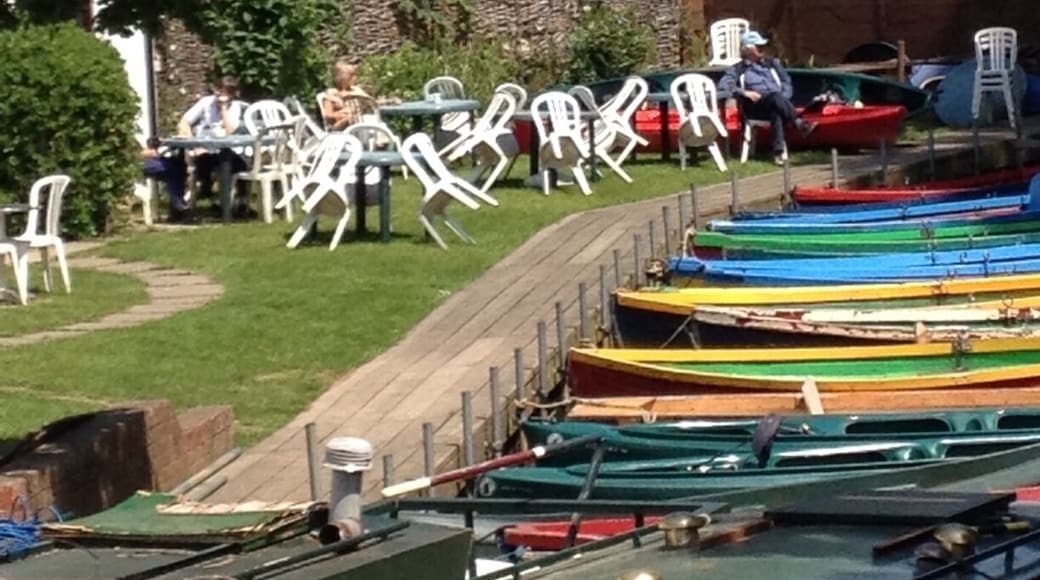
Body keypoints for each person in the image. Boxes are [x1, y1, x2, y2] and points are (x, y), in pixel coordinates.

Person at [718, 30, 817, 165]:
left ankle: (778, 153)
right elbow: (724, 86)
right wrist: (745, 93)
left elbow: (786, 81)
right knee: (775, 99)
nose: (762, 49)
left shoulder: (772, 64)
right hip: (754, 106)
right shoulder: (739, 68)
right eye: (759, 46)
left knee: (776, 109)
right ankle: (798, 123)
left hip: (776, 101)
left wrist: (784, 98)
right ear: (749, 50)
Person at [174, 75, 252, 217]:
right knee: (204, 161)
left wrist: (223, 109)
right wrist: (193, 144)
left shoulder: (234, 107)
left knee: (241, 164)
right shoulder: (205, 103)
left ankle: (241, 202)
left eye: (224, 92)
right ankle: (212, 199)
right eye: (217, 90)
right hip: (204, 149)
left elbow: (229, 131)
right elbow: (184, 122)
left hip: (225, 149)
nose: (219, 94)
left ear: (231, 94)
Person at [320, 61, 376, 131]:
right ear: (341, 77)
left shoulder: (356, 90)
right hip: (343, 129)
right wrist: (341, 114)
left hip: (361, 125)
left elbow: (371, 105)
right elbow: (327, 115)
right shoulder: (331, 94)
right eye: (351, 75)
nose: (355, 77)